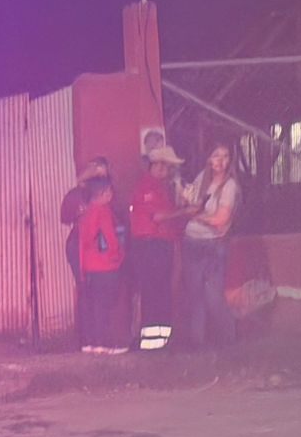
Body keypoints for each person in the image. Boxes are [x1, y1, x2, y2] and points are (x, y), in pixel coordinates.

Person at [179, 142, 240, 349]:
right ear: (209, 159)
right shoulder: (201, 179)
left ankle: (228, 342)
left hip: (213, 245)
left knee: (213, 296)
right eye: (216, 156)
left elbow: (221, 220)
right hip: (192, 242)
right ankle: (197, 344)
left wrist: (197, 215)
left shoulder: (230, 186)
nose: (220, 161)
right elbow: (189, 205)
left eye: (225, 156)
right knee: (194, 295)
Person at [128, 145, 185, 350]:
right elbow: (158, 217)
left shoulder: (159, 187)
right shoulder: (147, 187)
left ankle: (160, 341)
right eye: (167, 167)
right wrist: (185, 211)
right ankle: (152, 343)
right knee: (154, 292)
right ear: (159, 165)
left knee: (160, 291)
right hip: (151, 246)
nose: (168, 171)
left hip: (160, 245)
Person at [60, 157, 111, 344]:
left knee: (98, 291)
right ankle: (86, 338)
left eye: (103, 170)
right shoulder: (78, 193)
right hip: (79, 245)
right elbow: (65, 216)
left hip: (100, 248)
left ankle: (98, 337)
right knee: (85, 289)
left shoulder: (107, 191)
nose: (100, 173)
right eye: (96, 170)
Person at [76, 178, 127, 354]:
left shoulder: (86, 212)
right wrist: (118, 256)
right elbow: (110, 237)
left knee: (94, 304)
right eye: (110, 192)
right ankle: (103, 343)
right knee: (104, 305)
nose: (112, 196)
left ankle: (90, 343)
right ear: (104, 193)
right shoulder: (103, 211)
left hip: (90, 266)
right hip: (106, 265)